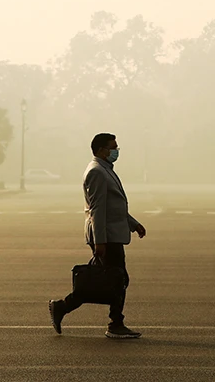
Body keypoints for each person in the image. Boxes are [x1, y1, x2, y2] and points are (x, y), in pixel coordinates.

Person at [49, 133, 147, 339]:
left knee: (103, 281)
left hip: (111, 234)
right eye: (113, 147)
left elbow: (113, 207)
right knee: (117, 279)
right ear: (102, 150)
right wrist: (99, 241)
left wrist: (134, 224)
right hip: (106, 237)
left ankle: (62, 307)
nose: (116, 151)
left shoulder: (105, 170)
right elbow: (97, 210)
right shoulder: (97, 173)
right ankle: (115, 323)